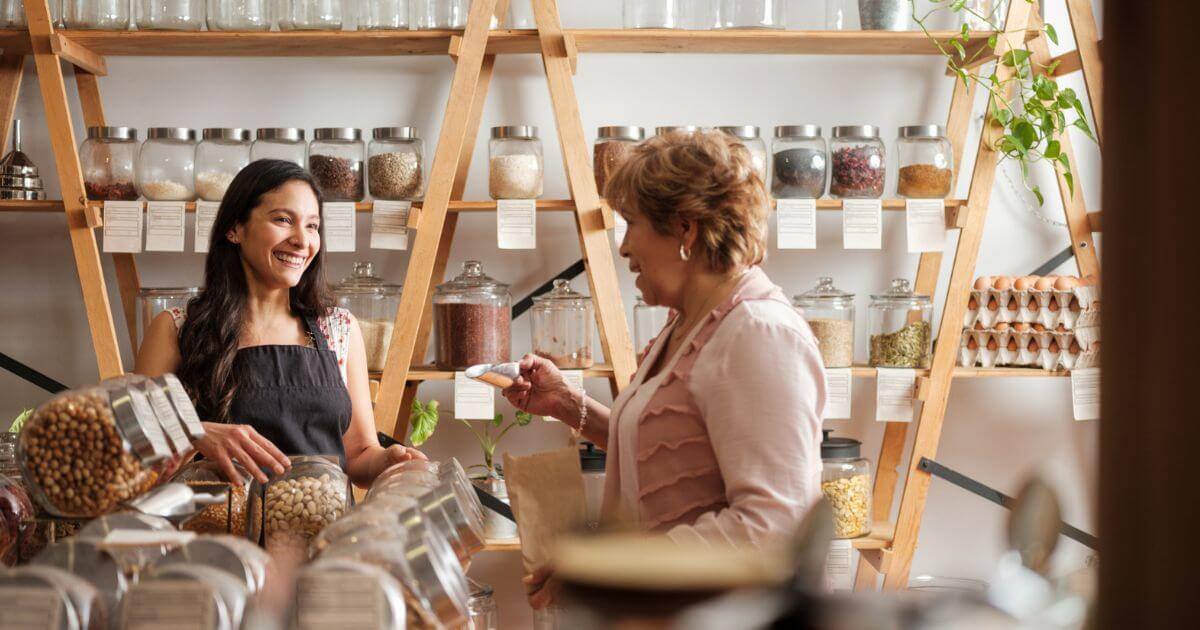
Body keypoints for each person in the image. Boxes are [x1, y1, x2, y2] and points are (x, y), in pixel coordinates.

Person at [504, 130, 827, 608]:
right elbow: (674, 454)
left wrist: (611, 569)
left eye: (631, 223)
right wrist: (571, 406)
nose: (624, 248)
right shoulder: (689, 325)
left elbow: (774, 526)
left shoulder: (757, 333)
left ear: (685, 229)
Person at [135, 159, 424, 487]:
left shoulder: (338, 330)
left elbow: (358, 454)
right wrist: (192, 433)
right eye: (283, 220)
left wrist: (389, 461)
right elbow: (135, 455)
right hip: (216, 533)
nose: (303, 241)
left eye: (312, 226)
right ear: (234, 228)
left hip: (322, 533)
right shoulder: (177, 329)